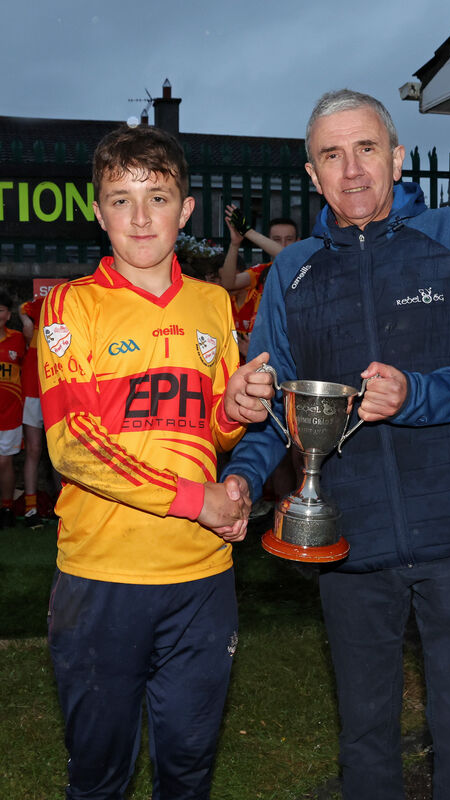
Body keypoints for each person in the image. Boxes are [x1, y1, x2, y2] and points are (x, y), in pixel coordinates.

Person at [223, 89, 450, 800]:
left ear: (396, 158)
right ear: (313, 175)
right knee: (365, 742)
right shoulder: (294, 271)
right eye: (332, 155)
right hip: (347, 544)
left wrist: (416, 394)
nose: (352, 169)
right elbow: (272, 404)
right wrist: (242, 472)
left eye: (366, 149)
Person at [37, 124, 273, 800]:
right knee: (99, 778)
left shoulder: (213, 303)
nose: (140, 218)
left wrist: (236, 408)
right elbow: (74, 445)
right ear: (97, 211)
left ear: (186, 209)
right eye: (121, 199)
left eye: (158, 198)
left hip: (202, 579)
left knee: (189, 771)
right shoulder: (70, 306)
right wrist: (201, 501)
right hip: (101, 578)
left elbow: (214, 434)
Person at [219, 208, 299, 361]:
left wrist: (248, 232)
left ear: (298, 241)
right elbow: (228, 283)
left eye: (289, 239)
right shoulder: (262, 270)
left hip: (286, 353)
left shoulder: (302, 268)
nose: (283, 244)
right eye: (276, 239)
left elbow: (287, 257)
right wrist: (235, 244)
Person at [19, 295, 47, 527]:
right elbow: (22, 307)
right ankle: (31, 509)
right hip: (32, 389)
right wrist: (27, 322)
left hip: (59, 388)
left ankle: (64, 507)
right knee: (34, 449)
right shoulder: (44, 304)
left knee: (64, 449)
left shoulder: (80, 308)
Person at [0, 291, 25, 529]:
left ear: (8, 315)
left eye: (0, 310)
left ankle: (6, 508)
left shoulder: (17, 339)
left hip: (10, 414)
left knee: (5, 463)